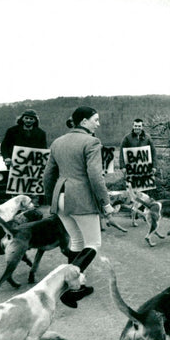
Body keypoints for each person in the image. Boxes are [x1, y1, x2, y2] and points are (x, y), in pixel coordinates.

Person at [43, 106, 116, 308]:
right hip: (81, 198)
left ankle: (74, 288)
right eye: (96, 119)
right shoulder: (92, 142)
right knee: (93, 244)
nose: (98, 123)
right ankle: (66, 286)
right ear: (84, 122)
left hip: (60, 196)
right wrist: (106, 203)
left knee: (76, 241)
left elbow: (48, 175)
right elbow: (95, 176)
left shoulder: (58, 142)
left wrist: (52, 201)